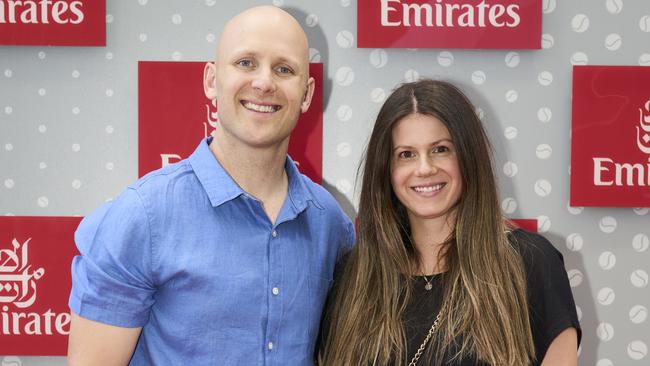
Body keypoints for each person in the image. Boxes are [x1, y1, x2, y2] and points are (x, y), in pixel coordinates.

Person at [67, 6, 354, 365]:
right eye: (246, 63)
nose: (264, 83)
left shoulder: (330, 223)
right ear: (210, 80)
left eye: (284, 69)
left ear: (307, 93)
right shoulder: (142, 217)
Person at [319, 80, 580, 366]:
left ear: (468, 156)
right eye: (406, 154)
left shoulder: (530, 263)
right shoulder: (353, 276)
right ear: (386, 171)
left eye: (441, 149)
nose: (425, 168)